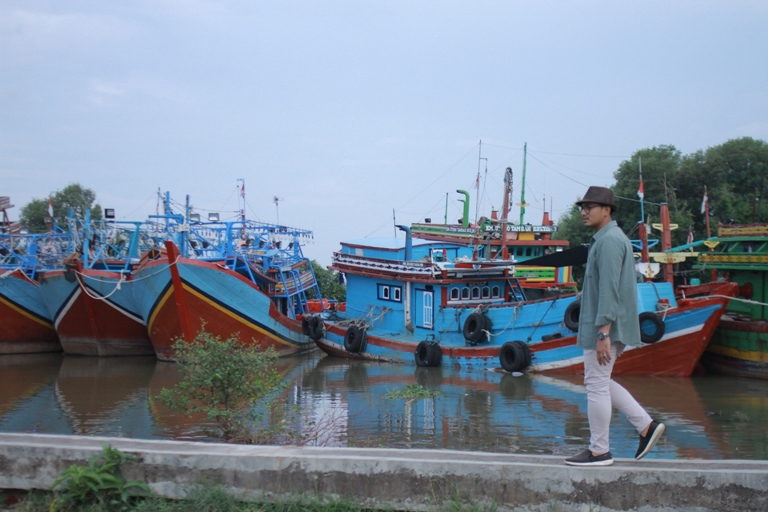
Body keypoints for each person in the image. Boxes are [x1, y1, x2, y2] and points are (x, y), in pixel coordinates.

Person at [564, 186, 665, 467]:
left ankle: (599, 451)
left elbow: (609, 291)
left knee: (595, 385)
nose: (584, 212)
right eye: (581, 207)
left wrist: (603, 334)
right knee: (600, 382)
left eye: (590, 207)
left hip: (607, 328)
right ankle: (646, 426)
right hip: (609, 326)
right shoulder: (608, 238)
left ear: (606, 210)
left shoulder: (609, 241)